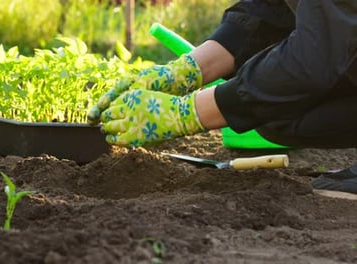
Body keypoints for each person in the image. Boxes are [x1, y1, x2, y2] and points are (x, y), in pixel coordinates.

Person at [87, 0, 357, 197]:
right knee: (274, 112)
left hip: (321, 54)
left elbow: (314, 56)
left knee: (269, 103)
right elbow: (272, 11)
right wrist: (185, 71)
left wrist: (188, 112)